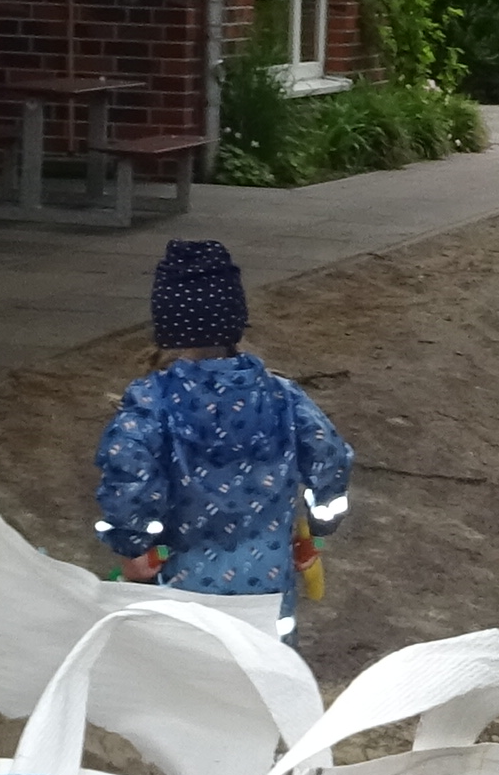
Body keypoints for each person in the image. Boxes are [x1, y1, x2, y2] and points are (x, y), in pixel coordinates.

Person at [93, 240, 354, 610]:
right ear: (235, 323)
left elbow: (128, 479)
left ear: (166, 327)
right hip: (268, 591)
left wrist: (132, 544)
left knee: (189, 662)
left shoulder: (152, 404)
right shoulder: (284, 398)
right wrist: (319, 525)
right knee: (265, 662)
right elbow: (330, 459)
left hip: (183, 589)